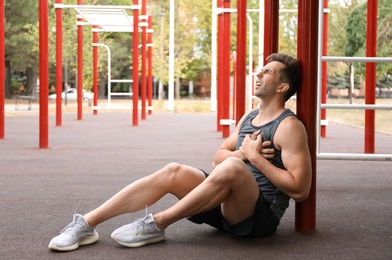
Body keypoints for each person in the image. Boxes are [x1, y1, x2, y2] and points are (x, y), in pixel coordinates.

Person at [48, 52, 312, 252]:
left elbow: (300, 190)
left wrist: (255, 159)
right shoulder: (250, 116)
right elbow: (219, 156)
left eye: (267, 72)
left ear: (282, 87)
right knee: (174, 170)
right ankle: (86, 224)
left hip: (256, 219)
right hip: (224, 205)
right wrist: (243, 154)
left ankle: (156, 224)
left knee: (232, 168)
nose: (258, 74)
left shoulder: (289, 127)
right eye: (261, 69)